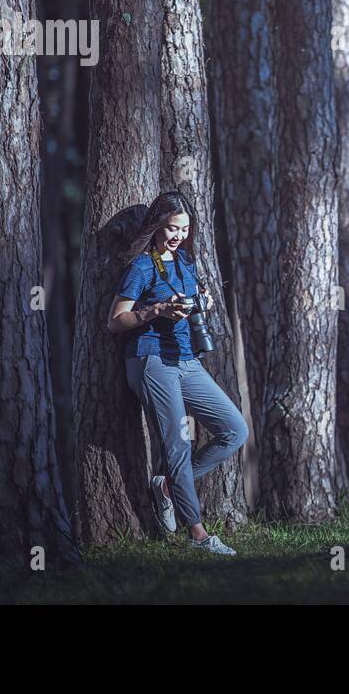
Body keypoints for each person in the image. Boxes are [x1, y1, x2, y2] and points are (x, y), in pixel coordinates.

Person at [106, 191, 248, 556]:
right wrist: (156, 311)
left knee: (235, 430)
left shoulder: (185, 261)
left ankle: (167, 487)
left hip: (186, 360)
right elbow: (115, 321)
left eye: (184, 229)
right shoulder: (141, 266)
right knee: (178, 446)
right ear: (155, 226)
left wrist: (202, 299)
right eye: (171, 228)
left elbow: (191, 295)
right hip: (151, 361)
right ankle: (199, 536)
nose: (177, 236)